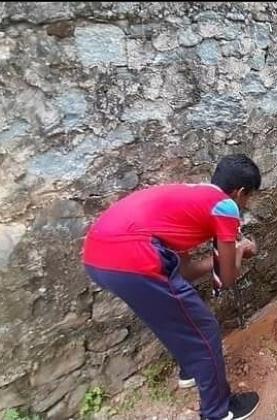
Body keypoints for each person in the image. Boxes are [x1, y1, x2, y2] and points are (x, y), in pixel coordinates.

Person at [81, 154, 262, 420]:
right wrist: (241, 250)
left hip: (98, 258)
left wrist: (231, 252)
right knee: (205, 330)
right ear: (240, 192)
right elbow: (227, 278)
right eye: (249, 198)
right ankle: (218, 411)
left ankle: (191, 371)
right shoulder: (226, 206)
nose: (246, 204)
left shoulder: (191, 199)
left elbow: (184, 272)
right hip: (134, 257)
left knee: (175, 316)